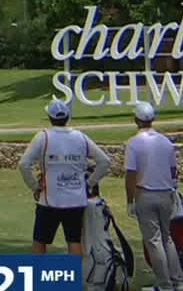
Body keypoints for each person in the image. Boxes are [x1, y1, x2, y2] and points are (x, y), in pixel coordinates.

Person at [18, 99, 112, 257]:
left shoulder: (43, 137)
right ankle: (73, 279)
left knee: (40, 241)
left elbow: (23, 164)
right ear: (67, 116)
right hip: (75, 199)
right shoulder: (80, 136)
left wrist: (35, 187)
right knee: (74, 241)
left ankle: (40, 278)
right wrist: (88, 183)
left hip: (49, 200)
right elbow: (104, 162)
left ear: (49, 117)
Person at [124, 101, 183, 291]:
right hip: (166, 193)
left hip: (146, 193)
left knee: (154, 240)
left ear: (136, 120)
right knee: (167, 239)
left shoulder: (134, 143)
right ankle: (179, 282)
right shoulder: (165, 141)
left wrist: (130, 200)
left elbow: (131, 174)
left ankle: (165, 284)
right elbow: (173, 170)